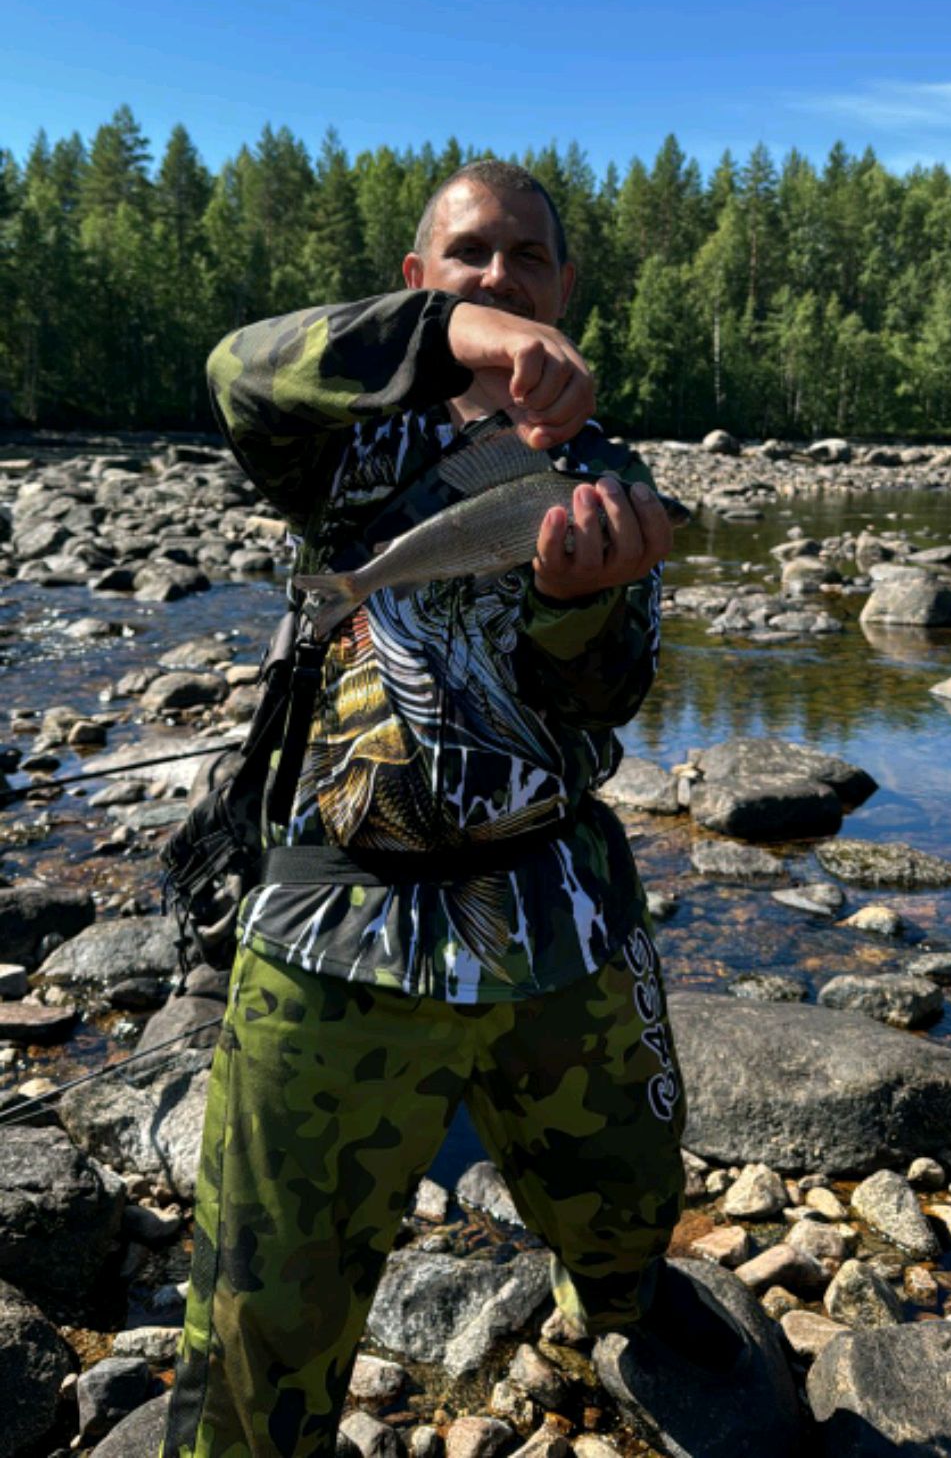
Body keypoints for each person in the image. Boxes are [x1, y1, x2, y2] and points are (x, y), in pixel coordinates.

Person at [162, 160, 687, 1458]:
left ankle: (614, 1313)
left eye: (529, 259)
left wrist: (585, 606)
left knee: (625, 1199)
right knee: (257, 1331)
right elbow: (237, 364)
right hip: (337, 930)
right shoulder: (333, 438)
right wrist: (464, 342)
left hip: (559, 919)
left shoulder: (606, 470)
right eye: (471, 256)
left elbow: (608, 697)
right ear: (418, 282)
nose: (502, 273)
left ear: (570, 290)